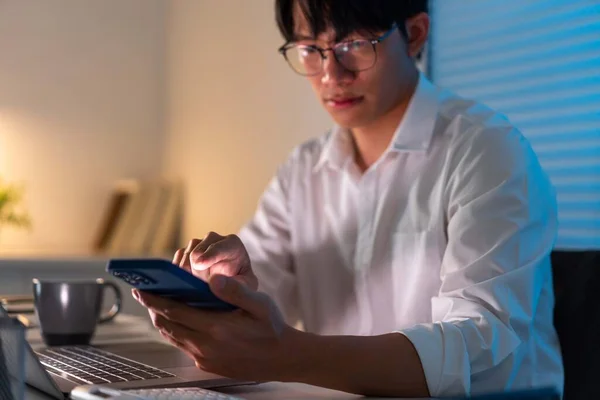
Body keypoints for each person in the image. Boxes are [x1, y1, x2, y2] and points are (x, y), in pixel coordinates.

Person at [132, 0, 564, 397]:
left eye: (354, 44)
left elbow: (482, 350)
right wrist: (223, 291)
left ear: (414, 34)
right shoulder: (304, 170)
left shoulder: (485, 149)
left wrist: (285, 353)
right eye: (309, 49)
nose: (331, 75)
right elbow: (261, 288)